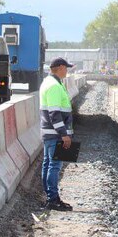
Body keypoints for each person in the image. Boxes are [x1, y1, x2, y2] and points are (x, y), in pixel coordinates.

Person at [40, 57, 75, 211]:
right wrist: (64, 134)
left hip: (49, 132)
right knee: (54, 165)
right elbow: (55, 114)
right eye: (66, 68)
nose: (67, 71)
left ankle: (50, 197)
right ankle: (52, 199)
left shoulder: (48, 82)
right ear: (60, 67)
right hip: (56, 133)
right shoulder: (54, 86)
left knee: (48, 164)